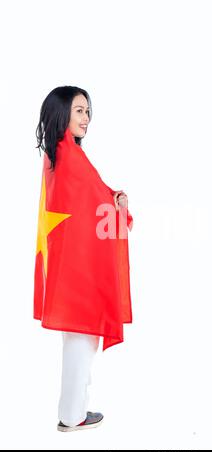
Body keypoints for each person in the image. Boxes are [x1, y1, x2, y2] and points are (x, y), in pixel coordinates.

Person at [33, 86, 133, 432]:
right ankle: (72, 415)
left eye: (87, 111)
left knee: (77, 338)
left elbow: (87, 200)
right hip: (79, 266)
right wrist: (118, 207)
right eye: (78, 110)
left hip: (68, 264)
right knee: (82, 336)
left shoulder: (56, 154)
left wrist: (109, 198)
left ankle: (73, 409)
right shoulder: (69, 157)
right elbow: (93, 205)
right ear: (62, 112)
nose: (86, 118)